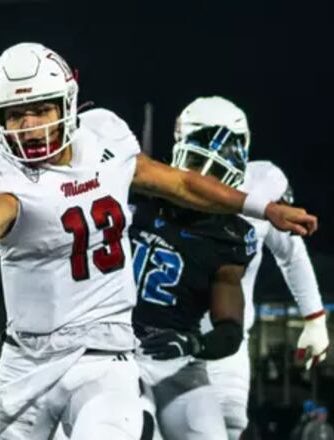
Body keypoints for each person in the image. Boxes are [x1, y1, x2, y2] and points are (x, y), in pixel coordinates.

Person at [0, 42, 317, 439]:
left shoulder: (103, 134)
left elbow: (179, 183)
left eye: (41, 109)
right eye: (15, 114)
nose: (29, 125)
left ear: (67, 104)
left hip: (104, 356)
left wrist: (262, 207)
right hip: (26, 361)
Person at [186, 96, 330, 440]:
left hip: (229, 342)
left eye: (225, 142)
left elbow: (291, 253)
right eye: (204, 141)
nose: (217, 152)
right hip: (164, 337)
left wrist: (315, 317)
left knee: (227, 426)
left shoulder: (262, 184)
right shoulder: (167, 188)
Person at [128, 103, 257, 439]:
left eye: (214, 171)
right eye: (197, 163)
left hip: (177, 361)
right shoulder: (137, 193)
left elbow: (229, 332)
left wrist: (191, 343)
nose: (202, 179)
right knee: (133, 429)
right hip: (115, 351)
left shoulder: (229, 236)